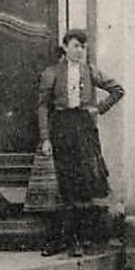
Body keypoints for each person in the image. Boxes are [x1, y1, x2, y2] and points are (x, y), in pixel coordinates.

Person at [36, 29, 125, 257]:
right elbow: (43, 106)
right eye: (76, 46)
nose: (80, 51)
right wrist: (46, 138)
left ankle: (83, 240)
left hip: (84, 127)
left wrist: (99, 108)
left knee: (85, 180)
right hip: (62, 127)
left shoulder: (89, 71)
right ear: (65, 47)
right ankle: (64, 240)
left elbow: (117, 90)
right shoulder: (52, 73)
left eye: (83, 47)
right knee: (65, 183)